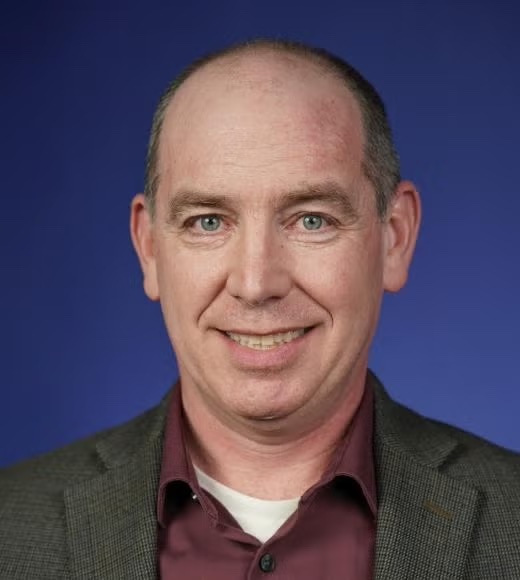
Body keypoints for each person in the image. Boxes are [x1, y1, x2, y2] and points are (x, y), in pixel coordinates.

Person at [1, 38, 519, 579]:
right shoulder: (10, 531)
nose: (254, 284)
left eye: (311, 219)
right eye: (208, 221)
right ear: (149, 248)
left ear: (394, 238)